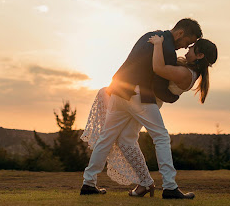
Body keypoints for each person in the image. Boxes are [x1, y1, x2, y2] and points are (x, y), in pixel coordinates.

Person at [80, 19, 214, 199]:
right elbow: (159, 83)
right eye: (187, 43)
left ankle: (88, 183)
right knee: (161, 137)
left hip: (119, 90)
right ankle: (169, 186)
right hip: (137, 94)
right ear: (180, 34)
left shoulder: (152, 36)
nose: (185, 47)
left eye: (190, 46)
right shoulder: (166, 49)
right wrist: (172, 97)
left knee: (107, 137)